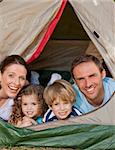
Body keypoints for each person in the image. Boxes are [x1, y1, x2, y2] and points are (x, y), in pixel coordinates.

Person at [0, 55, 28, 121]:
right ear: (0, 76)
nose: (17, 82)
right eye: (11, 75)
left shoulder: (20, 101)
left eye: (22, 78)